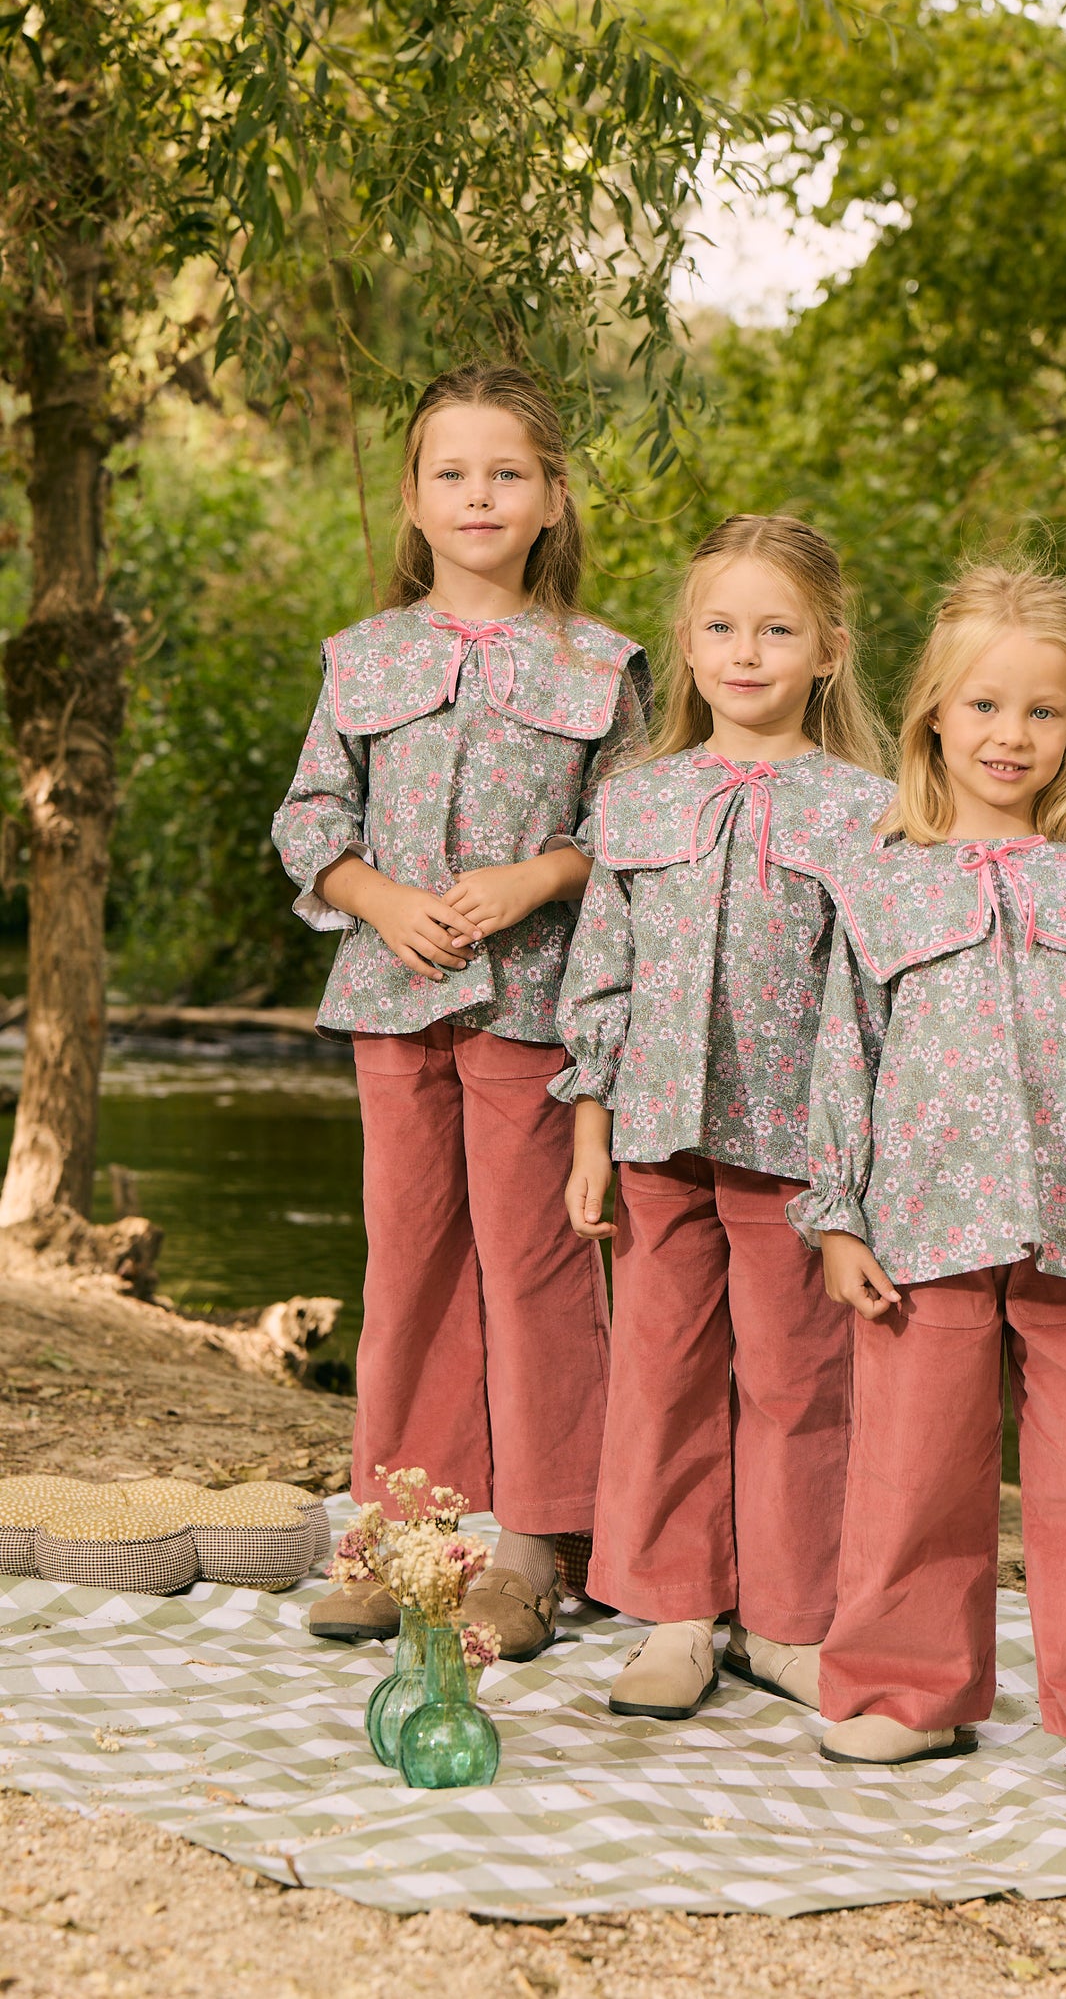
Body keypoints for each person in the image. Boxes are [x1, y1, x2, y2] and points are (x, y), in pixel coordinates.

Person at [791, 559, 1066, 1810]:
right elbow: (841, 1059)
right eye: (983, 707)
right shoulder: (880, 886)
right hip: (918, 1228)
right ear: (931, 713)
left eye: (1039, 711)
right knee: (912, 1466)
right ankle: (901, 1690)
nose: (1008, 735)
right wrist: (836, 1217)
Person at [272, 362, 649, 1659]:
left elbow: (633, 825)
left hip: (540, 1007)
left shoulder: (601, 666)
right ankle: (400, 1539)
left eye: (507, 472)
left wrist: (540, 874)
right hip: (396, 999)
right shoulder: (362, 658)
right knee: (412, 1256)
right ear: (417, 503)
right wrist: (376, 895)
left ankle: (540, 1547)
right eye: (452, 472)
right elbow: (309, 816)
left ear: (550, 497)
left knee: (539, 1266)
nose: (478, 493)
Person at [553, 515, 893, 1719]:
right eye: (719, 627)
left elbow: (880, 997)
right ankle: (674, 1610)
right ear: (687, 648)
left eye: (775, 629)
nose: (745, 652)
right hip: (652, 1134)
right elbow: (597, 973)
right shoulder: (639, 802)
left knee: (800, 1377)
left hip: (795, 1149)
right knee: (659, 1369)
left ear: (827, 652)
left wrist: (862, 1166)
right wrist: (589, 1129)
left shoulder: (872, 811)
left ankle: (789, 1617)